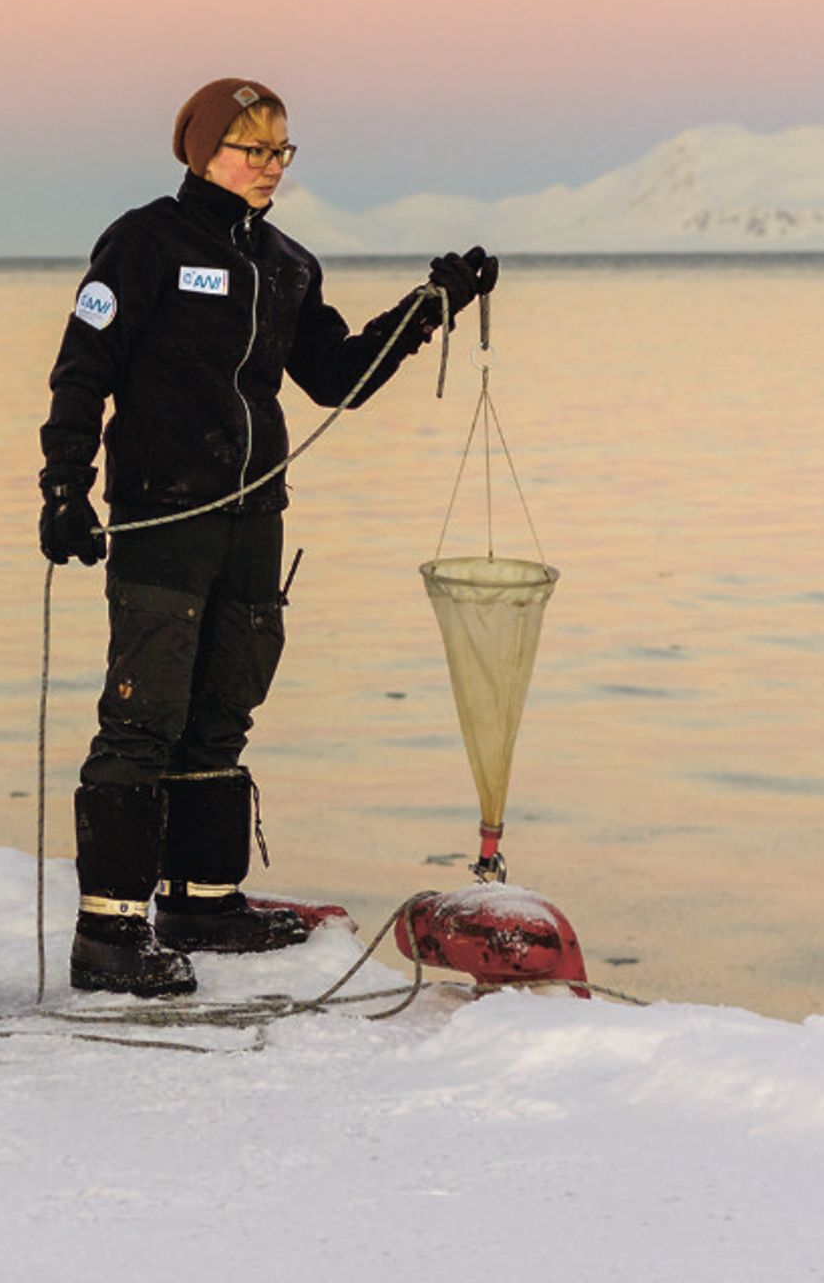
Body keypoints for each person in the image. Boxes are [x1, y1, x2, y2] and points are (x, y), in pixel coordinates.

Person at [38, 77, 497, 996]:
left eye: (281, 150)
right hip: (165, 514)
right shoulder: (145, 244)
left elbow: (336, 379)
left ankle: (204, 902)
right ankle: (110, 934)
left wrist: (430, 305)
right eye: (252, 149)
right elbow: (84, 369)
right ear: (200, 150)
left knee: (225, 708)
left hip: (255, 520)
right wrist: (64, 487)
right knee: (144, 714)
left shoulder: (287, 264)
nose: (269, 167)